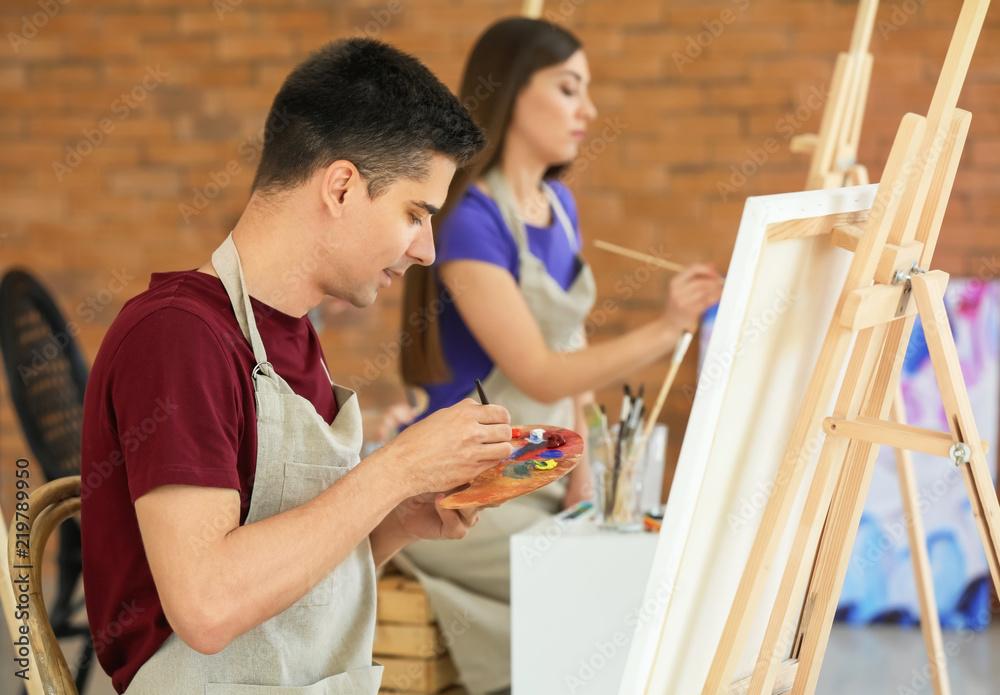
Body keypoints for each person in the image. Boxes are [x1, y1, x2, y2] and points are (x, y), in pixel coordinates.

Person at [79, 38, 513, 695]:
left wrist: (397, 515)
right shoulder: (178, 336)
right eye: (415, 213)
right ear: (340, 186)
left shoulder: (292, 343)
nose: (427, 249)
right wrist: (395, 468)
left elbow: (287, 598)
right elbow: (208, 604)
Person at [396, 17, 724, 694]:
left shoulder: (561, 205)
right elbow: (538, 368)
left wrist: (584, 466)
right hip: (472, 480)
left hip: (545, 468)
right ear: (514, 92)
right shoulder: (467, 217)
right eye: (570, 89)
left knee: (643, 568)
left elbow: (570, 347)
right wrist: (668, 327)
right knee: (601, 599)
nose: (589, 110)